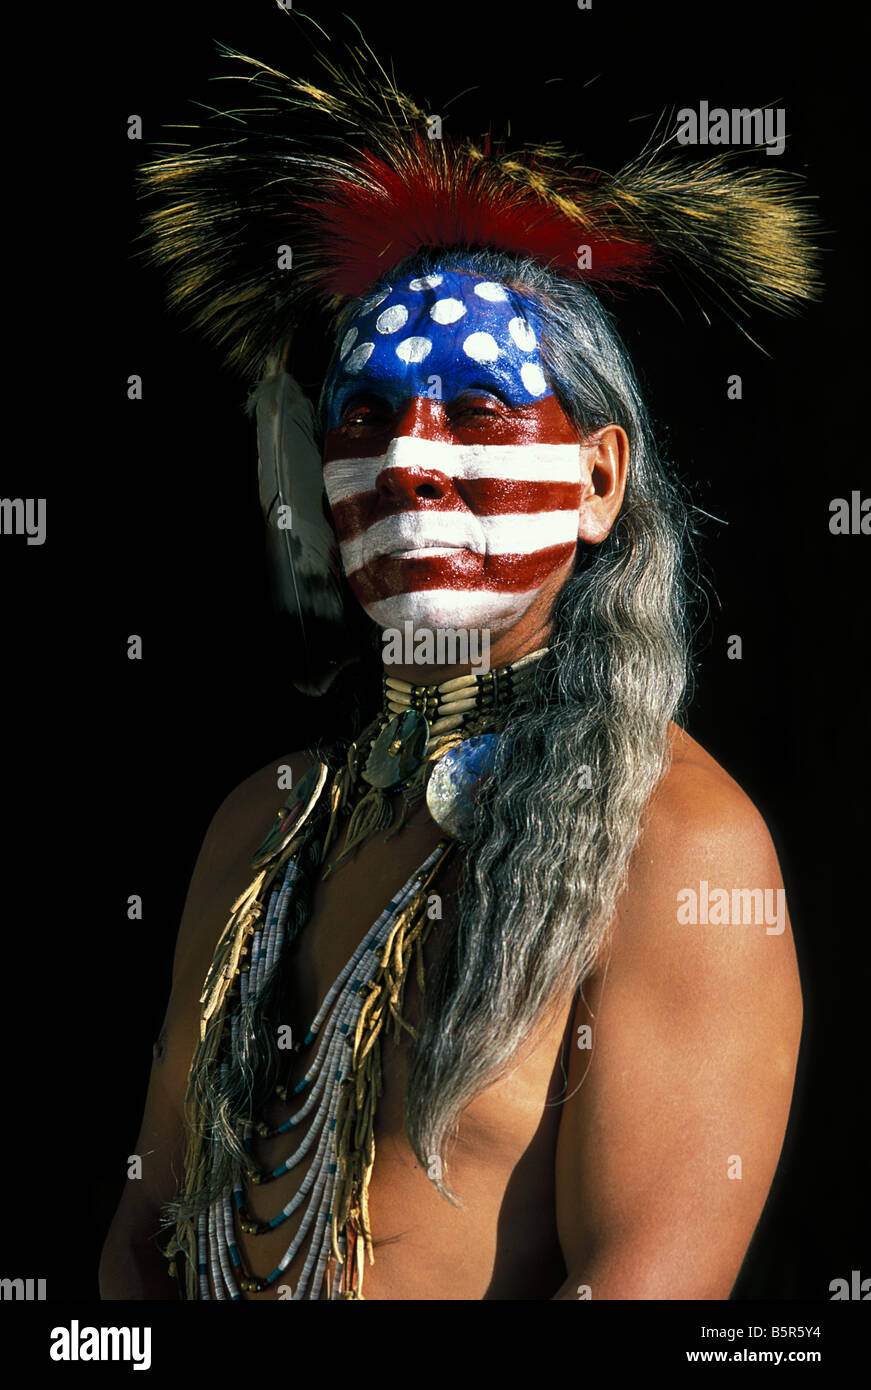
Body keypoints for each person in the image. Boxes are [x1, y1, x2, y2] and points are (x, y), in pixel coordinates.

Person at [99, 41, 817, 1301]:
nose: (410, 462)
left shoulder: (678, 851)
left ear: (600, 480)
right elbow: (141, 1237)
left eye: (479, 410)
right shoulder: (257, 826)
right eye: (365, 414)